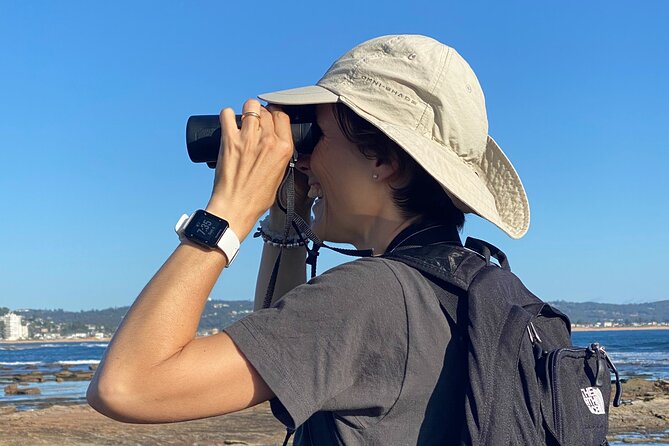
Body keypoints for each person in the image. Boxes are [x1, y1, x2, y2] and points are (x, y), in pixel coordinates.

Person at [87, 34, 530, 445]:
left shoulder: (371, 296)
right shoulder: (469, 286)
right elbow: (280, 339)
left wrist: (230, 208)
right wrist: (286, 213)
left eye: (313, 136)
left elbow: (126, 386)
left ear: (383, 159)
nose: (300, 159)